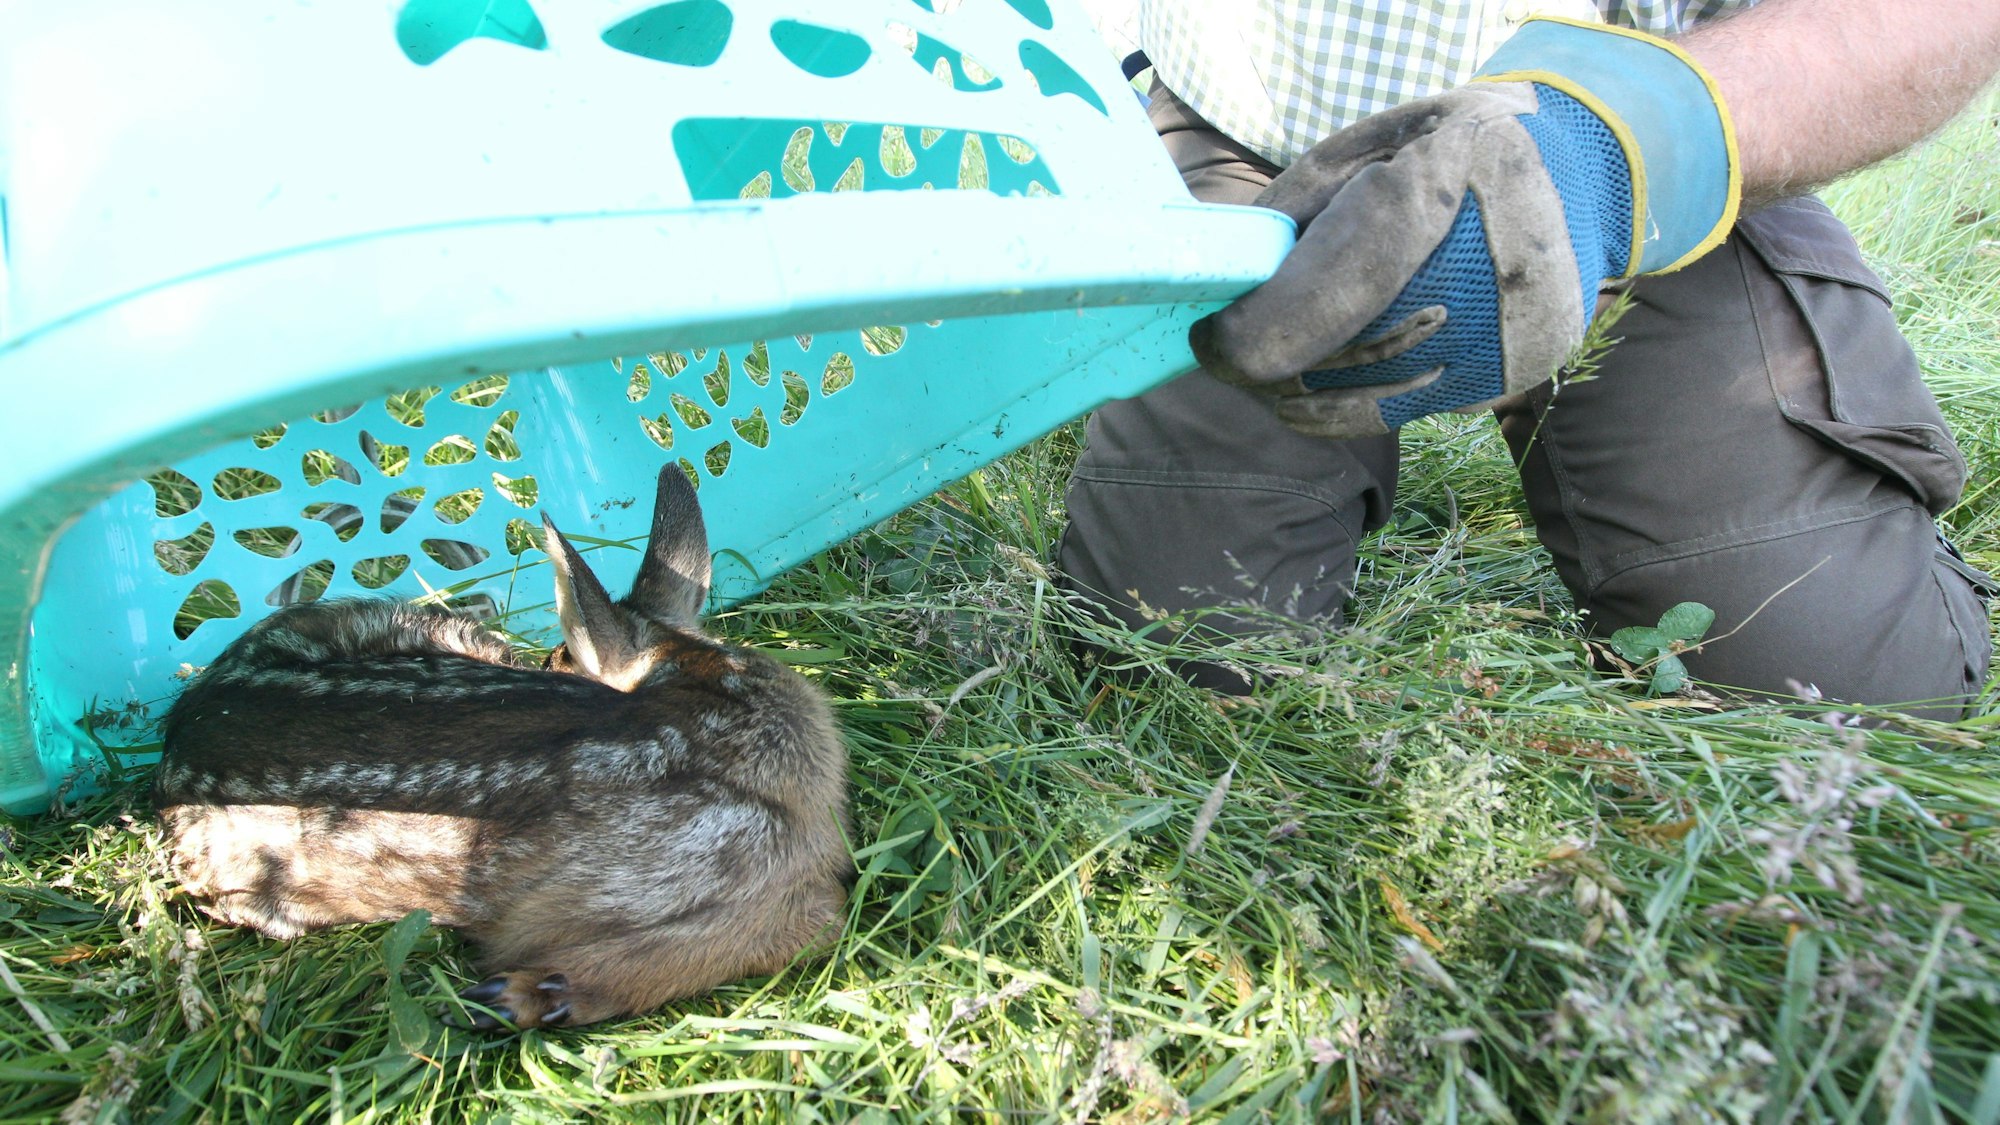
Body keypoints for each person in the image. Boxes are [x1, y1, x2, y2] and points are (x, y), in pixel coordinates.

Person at [1059, 0, 2000, 718]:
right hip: (1260, 153)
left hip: (1648, 163)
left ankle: (1868, 540)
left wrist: (1605, 158)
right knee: (1169, 662)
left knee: (1840, 704)